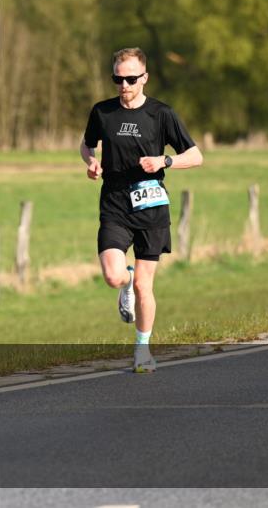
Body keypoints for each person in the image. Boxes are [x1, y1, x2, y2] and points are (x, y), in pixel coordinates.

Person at [79, 47, 203, 372]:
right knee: (113, 275)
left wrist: (165, 161)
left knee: (144, 287)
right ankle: (126, 280)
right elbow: (86, 144)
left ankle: (142, 351)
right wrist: (91, 162)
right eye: (118, 79)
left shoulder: (161, 114)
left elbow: (196, 155)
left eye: (131, 79)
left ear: (144, 78)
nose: (124, 85)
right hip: (115, 204)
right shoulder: (102, 112)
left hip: (151, 207)